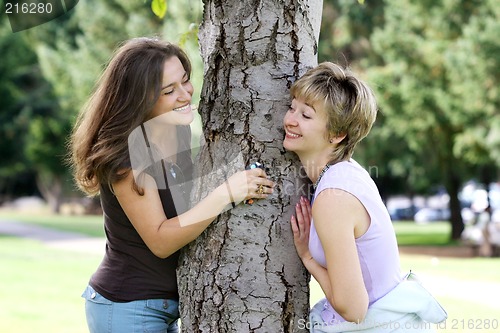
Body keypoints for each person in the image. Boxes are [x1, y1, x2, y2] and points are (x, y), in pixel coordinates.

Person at [69, 37, 274, 333]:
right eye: (169, 90)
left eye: (186, 81)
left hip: (163, 309)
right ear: (140, 100)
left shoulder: (175, 135)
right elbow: (161, 240)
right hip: (128, 307)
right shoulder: (127, 157)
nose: (185, 94)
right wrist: (228, 193)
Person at [284, 62, 446, 332]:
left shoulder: (334, 196)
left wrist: (308, 258)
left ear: (337, 135)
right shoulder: (347, 173)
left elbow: (354, 309)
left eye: (306, 116)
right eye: (292, 108)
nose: (290, 119)